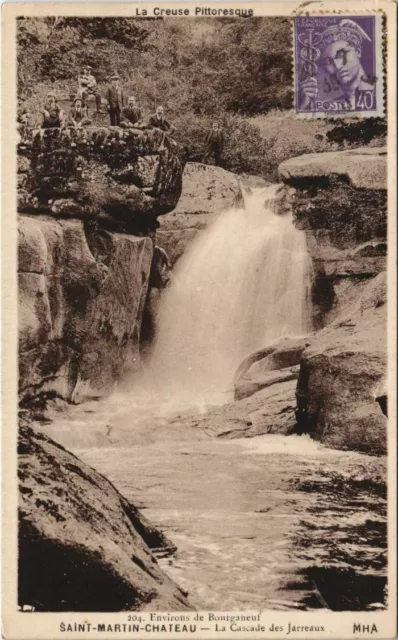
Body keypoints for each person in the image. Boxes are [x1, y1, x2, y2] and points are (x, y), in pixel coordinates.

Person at [300, 18, 375, 109]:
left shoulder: (384, 95)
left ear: (358, 51)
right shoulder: (329, 106)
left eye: (341, 54)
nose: (338, 66)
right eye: (328, 61)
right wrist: (305, 106)